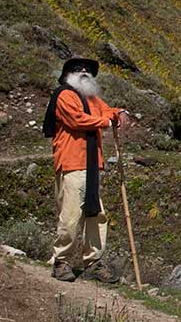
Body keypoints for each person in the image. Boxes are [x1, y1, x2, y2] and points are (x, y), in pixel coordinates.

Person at [43, 57, 131, 283]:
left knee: (95, 214)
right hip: (73, 163)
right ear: (68, 74)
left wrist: (119, 112)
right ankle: (61, 261)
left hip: (91, 164)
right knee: (71, 215)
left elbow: (107, 111)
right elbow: (77, 120)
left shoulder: (91, 98)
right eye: (77, 69)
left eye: (87, 70)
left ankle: (93, 261)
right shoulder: (65, 96)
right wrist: (106, 122)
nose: (83, 72)